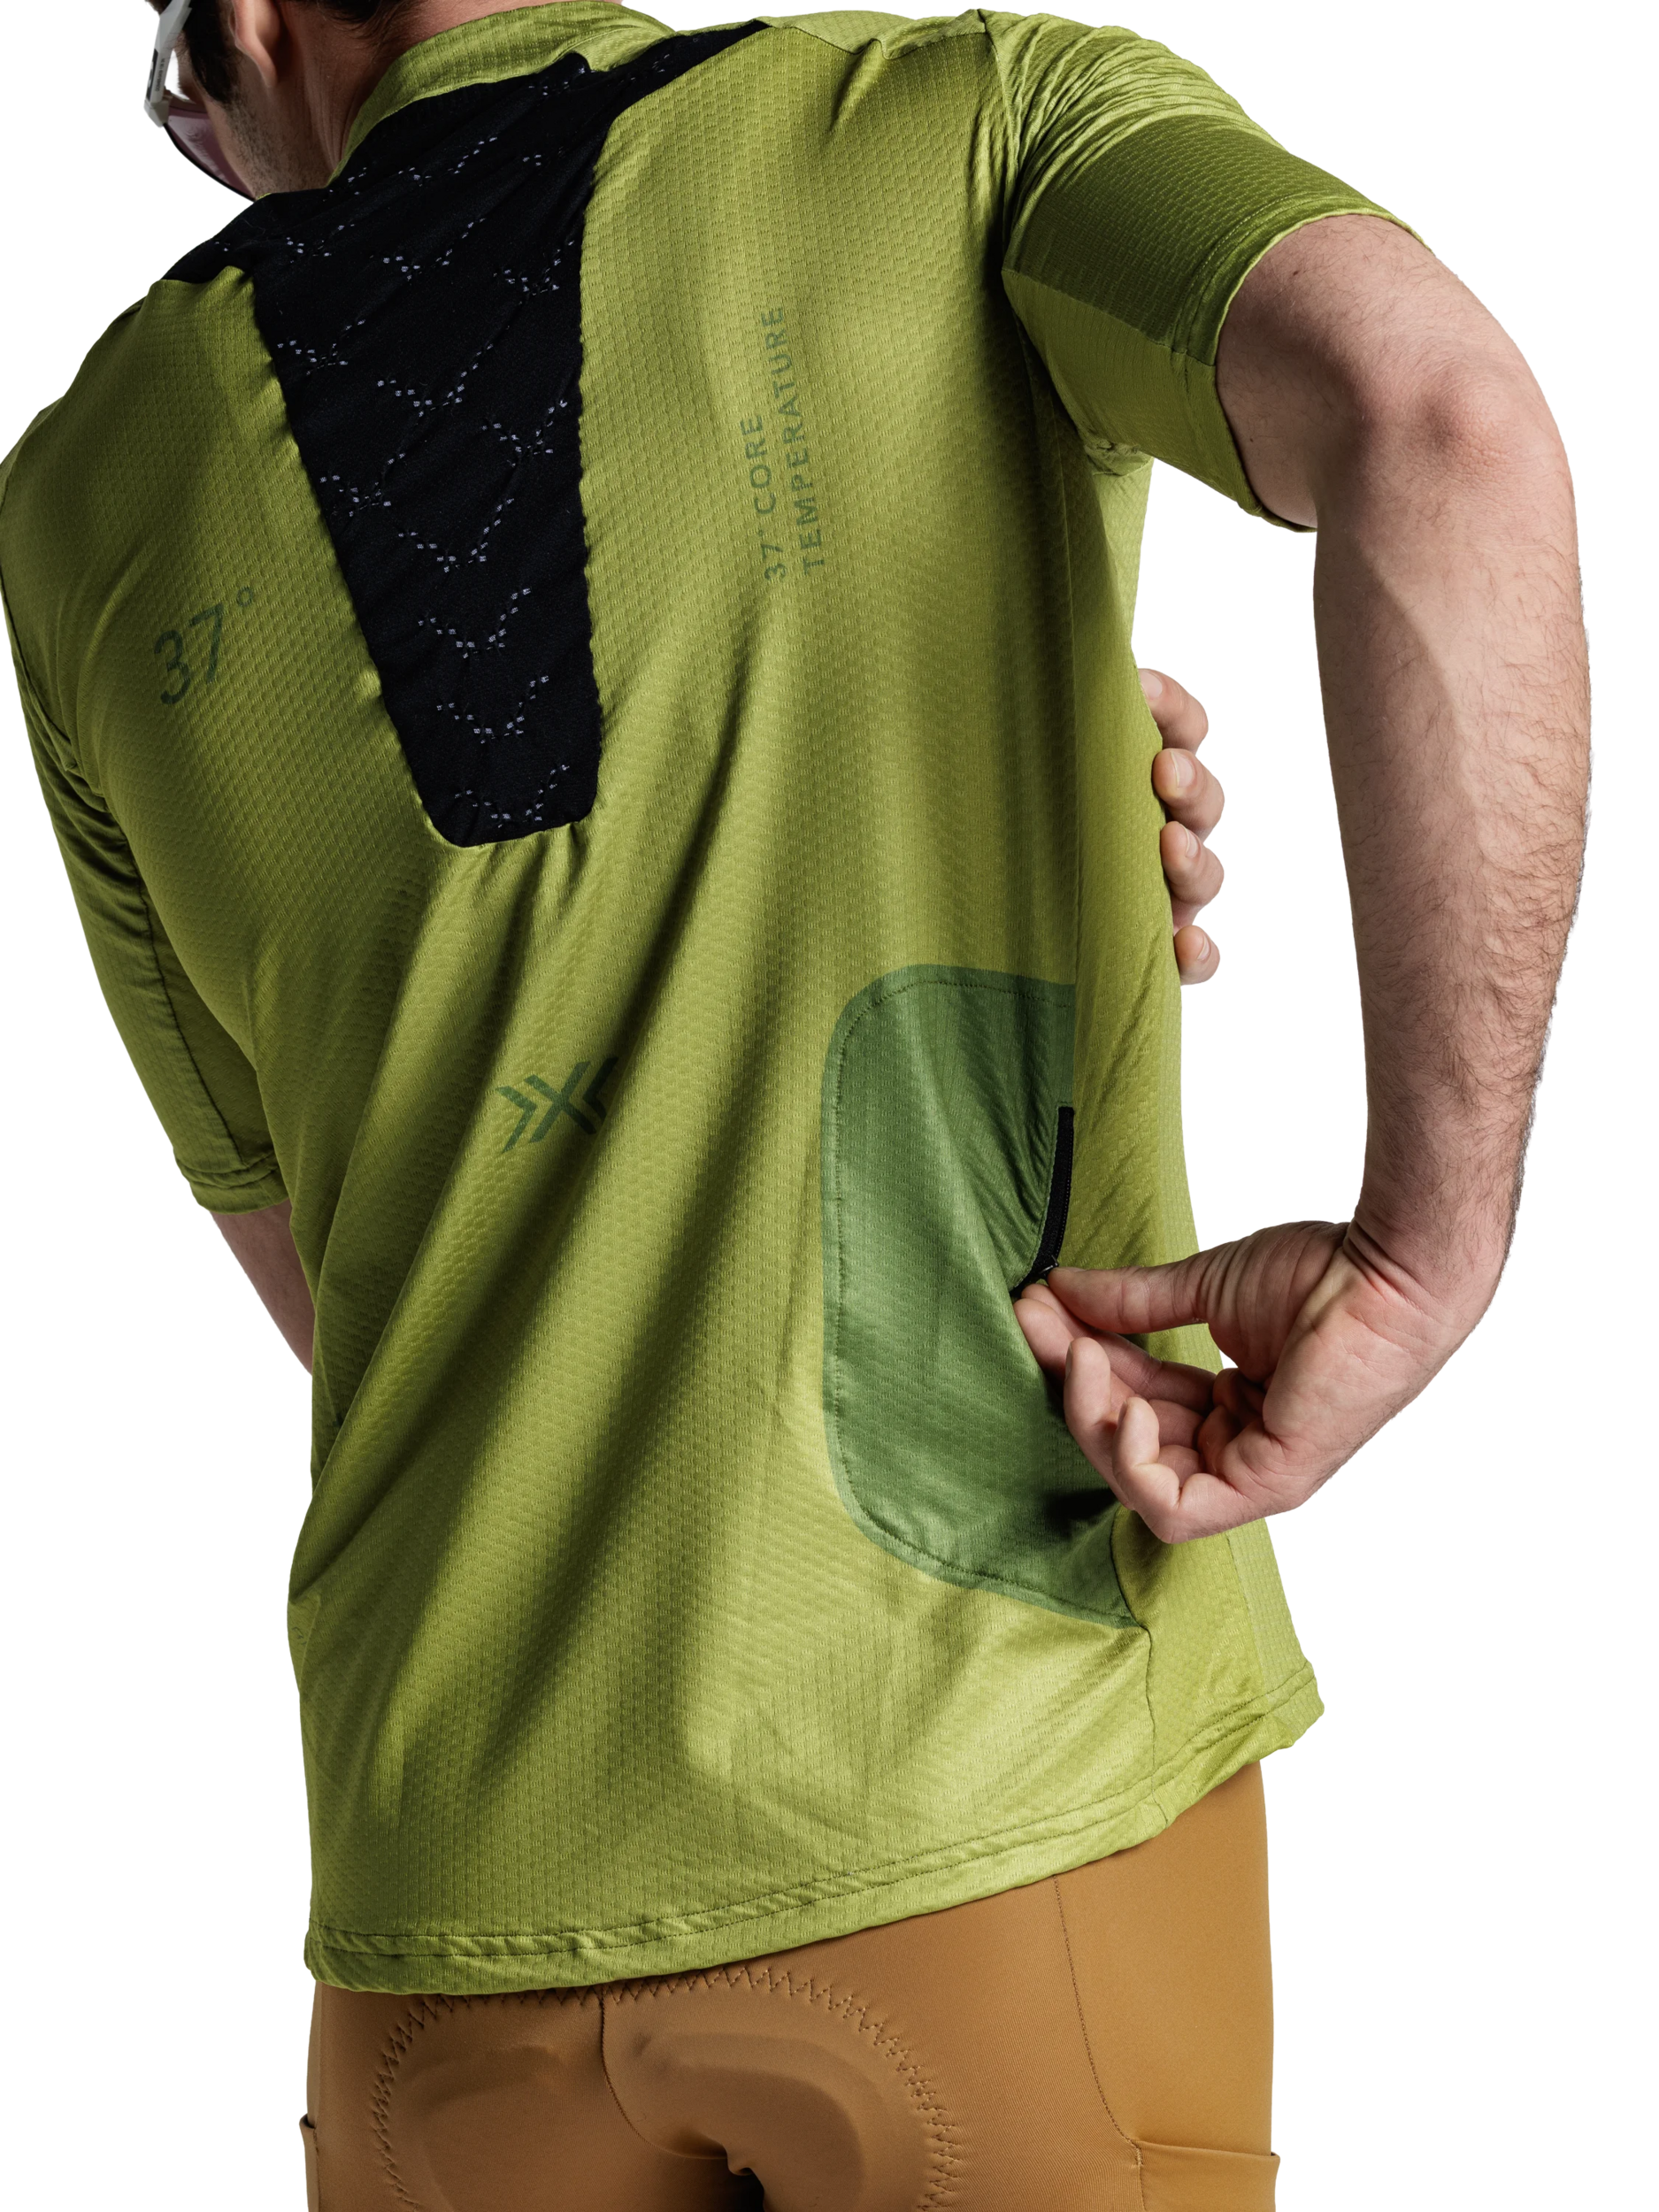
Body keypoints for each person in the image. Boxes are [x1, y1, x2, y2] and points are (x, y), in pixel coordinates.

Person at [2, 2, 1589, 2204]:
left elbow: (342, 1288)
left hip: (440, 1926)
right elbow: (1434, 414)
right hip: (980, 1803)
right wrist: (1428, 1236)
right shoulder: (962, 120)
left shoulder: (78, 483)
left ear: (249, 29)